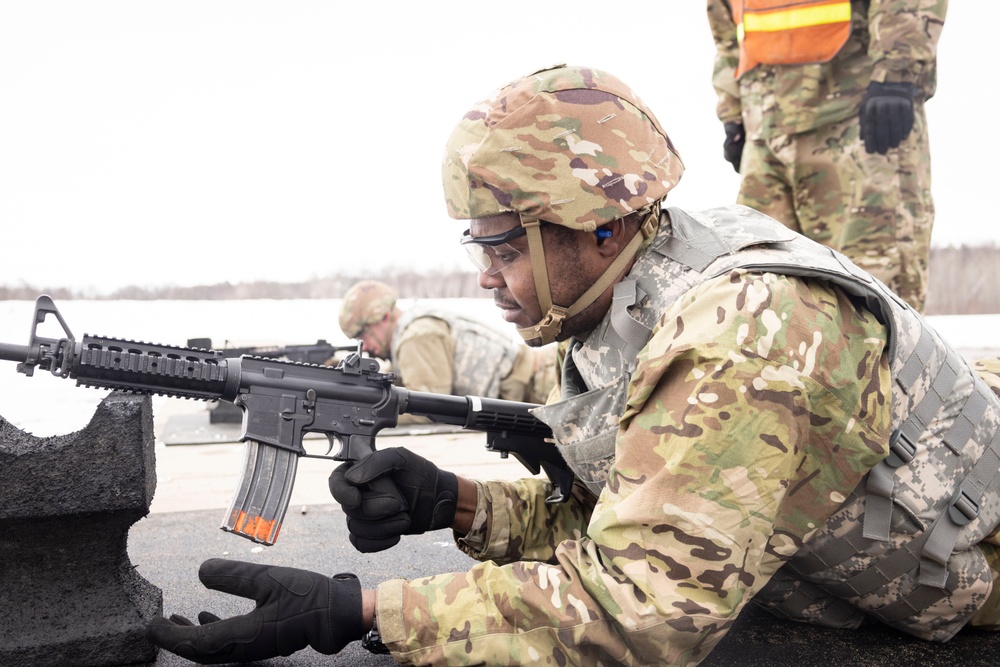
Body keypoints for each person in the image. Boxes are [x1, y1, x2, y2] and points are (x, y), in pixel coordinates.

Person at [147, 65, 1000, 666]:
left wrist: (355, 609)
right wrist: (459, 503)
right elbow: (637, 517)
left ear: (589, 222)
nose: (486, 275)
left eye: (503, 244)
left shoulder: (738, 332)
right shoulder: (624, 302)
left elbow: (640, 610)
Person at [707, 0, 948, 312]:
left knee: (872, 295)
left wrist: (896, 74)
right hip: (765, 128)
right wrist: (733, 112)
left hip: (856, 119)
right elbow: (727, 24)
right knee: (763, 301)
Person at [338, 279, 556, 405]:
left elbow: (427, 405)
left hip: (541, 383)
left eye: (363, 336)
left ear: (383, 317)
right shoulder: (413, 327)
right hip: (536, 378)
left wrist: (367, 405)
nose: (364, 347)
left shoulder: (416, 337)